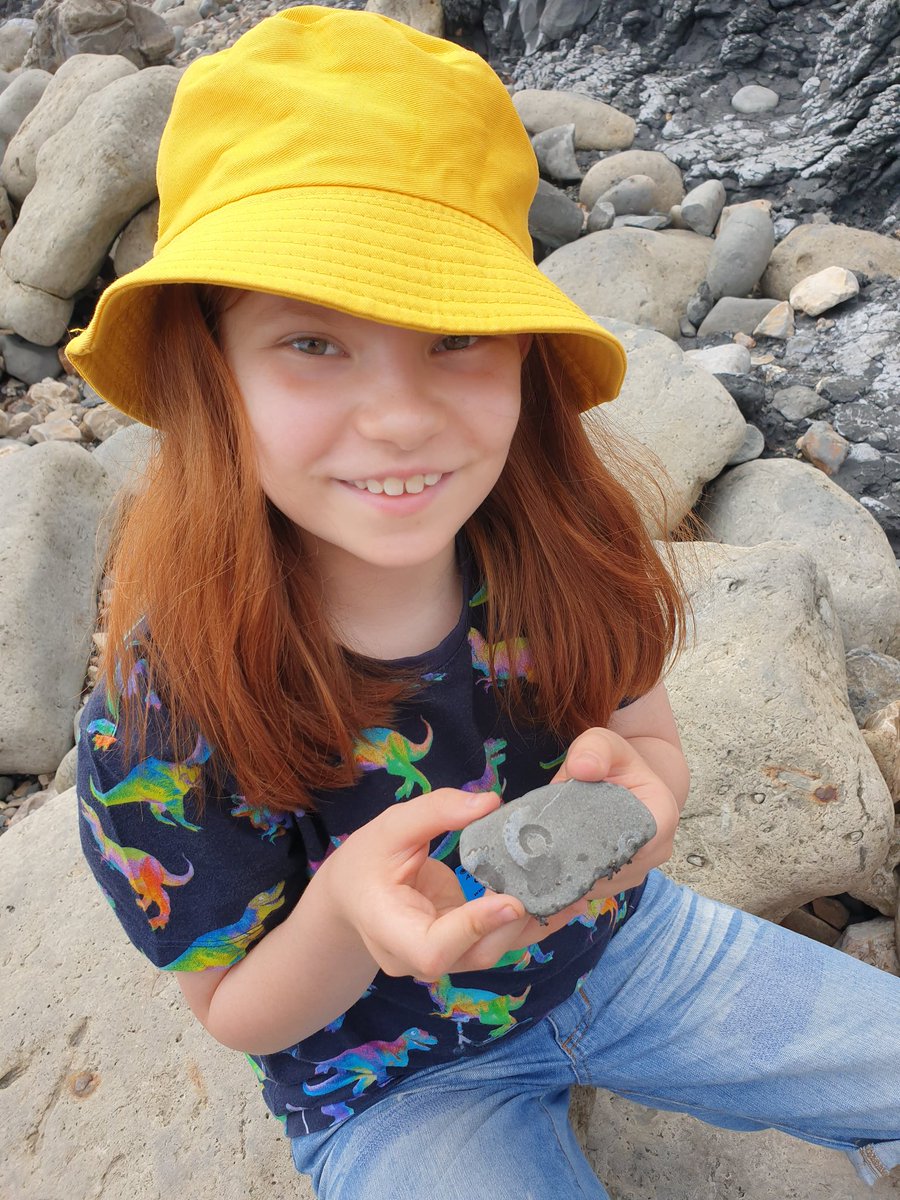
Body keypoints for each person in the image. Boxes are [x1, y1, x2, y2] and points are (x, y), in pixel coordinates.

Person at [69, 7, 900, 1198]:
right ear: (211, 375)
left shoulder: (559, 554)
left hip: (623, 953)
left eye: (455, 334)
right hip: (386, 1077)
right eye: (312, 343)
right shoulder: (164, 713)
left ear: (523, 354)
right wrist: (350, 915)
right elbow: (239, 1010)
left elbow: (648, 751)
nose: (400, 415)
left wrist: (641, 816)